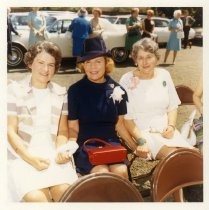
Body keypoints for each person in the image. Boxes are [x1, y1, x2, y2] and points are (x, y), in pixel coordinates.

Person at [7, 41, 78, 202]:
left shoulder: (61, 93)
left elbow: (62, 132)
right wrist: (30, 159)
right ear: (30, 63)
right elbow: (10, 131)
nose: (45, 69)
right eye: (41, 62)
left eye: (51, 65)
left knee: (66, 194)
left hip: (51, 154)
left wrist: (62, 150)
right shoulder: (13, 90)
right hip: (22, 155)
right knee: (38, 199)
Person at [119, 38, 193, 161]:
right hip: (142, 133)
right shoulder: (126, 80)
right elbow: (127, 120)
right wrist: (140, 141)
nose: (145, 62)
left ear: (156, 58)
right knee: (176, 157)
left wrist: (171, 126)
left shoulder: (164, 75)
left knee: (194, 156)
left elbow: (172, 106)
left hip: (167, 132)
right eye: (140, 58)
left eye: (149, 57)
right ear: (135, 60)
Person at [67, 36, 129, 179]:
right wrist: (70, 145)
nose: (93, 67)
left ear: (106, 63)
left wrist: (136, 145)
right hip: (85, 144)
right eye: (88, 62)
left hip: (110, 142)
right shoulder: (75, 90)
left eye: (98, 61)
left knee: (120, 171)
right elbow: (73, 127)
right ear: (83, 65)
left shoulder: (117, 89)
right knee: (102, 172)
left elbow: (120, 124)